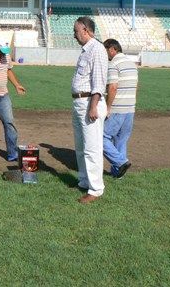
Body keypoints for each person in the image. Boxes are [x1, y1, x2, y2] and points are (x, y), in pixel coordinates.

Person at [71, 16, 108, 204]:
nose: (74, 35)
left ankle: (95, 189)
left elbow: (99, 82)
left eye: (76, 31)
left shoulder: (97, 49)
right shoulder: (85, 51)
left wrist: (93, 106)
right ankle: (84, 180)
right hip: (79, 102)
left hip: (89, 103)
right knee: (80, 147)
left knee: (92, 148)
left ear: (85, 30)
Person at [103, 39, 138, 178]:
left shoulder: (113, 64)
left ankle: (121, 162)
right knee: (121, 140)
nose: (105, 53)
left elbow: (113, 87)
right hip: (130, 108)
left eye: (105, 50)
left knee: (101, 137)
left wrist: (108, 107)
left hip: (118, 108)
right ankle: (118, 174)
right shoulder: (132, 64)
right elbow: (136, 86)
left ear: (112, 49)